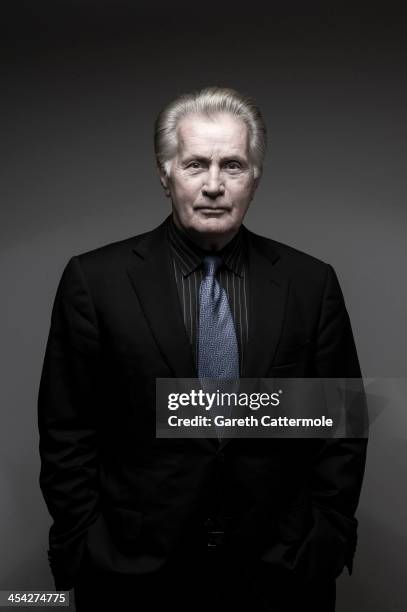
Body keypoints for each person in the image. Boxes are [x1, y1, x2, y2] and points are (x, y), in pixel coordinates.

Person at [38, 86, 367, 611]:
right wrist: (86, 542)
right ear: (164, 174)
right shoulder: (94, 281)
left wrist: (326, 535)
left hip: (281, 572)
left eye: (232, 166)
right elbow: (66, 428)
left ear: (254, 179)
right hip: (133, 571)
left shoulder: (311, 283)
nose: (214, 185)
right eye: (195, 164)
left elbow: (342, 424)